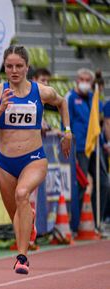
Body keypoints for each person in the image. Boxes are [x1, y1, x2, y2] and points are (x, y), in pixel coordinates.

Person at [0, 45, 71, 275]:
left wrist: (67, 131)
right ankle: (28, 223)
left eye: (19, 66)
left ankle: (22, 258)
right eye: (9, 66)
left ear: (27, 67)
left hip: (34, 158)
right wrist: (1, 109)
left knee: (22, 194)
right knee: (16, 217)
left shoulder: (40, 91)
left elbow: (62, 102)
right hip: (5, 162)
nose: (14, 70)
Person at [66, 68, 108, 225]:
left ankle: (97, 221)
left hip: (94, 145)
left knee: (104, 183)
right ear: (77, 80)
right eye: (81, 79)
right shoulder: (70, 97)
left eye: (87, 80)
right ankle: (76, 224)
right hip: (79, 147)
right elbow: (66, 120)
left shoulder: (93, 97)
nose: (84, 83)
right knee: (81, 185)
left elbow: (100, 120)